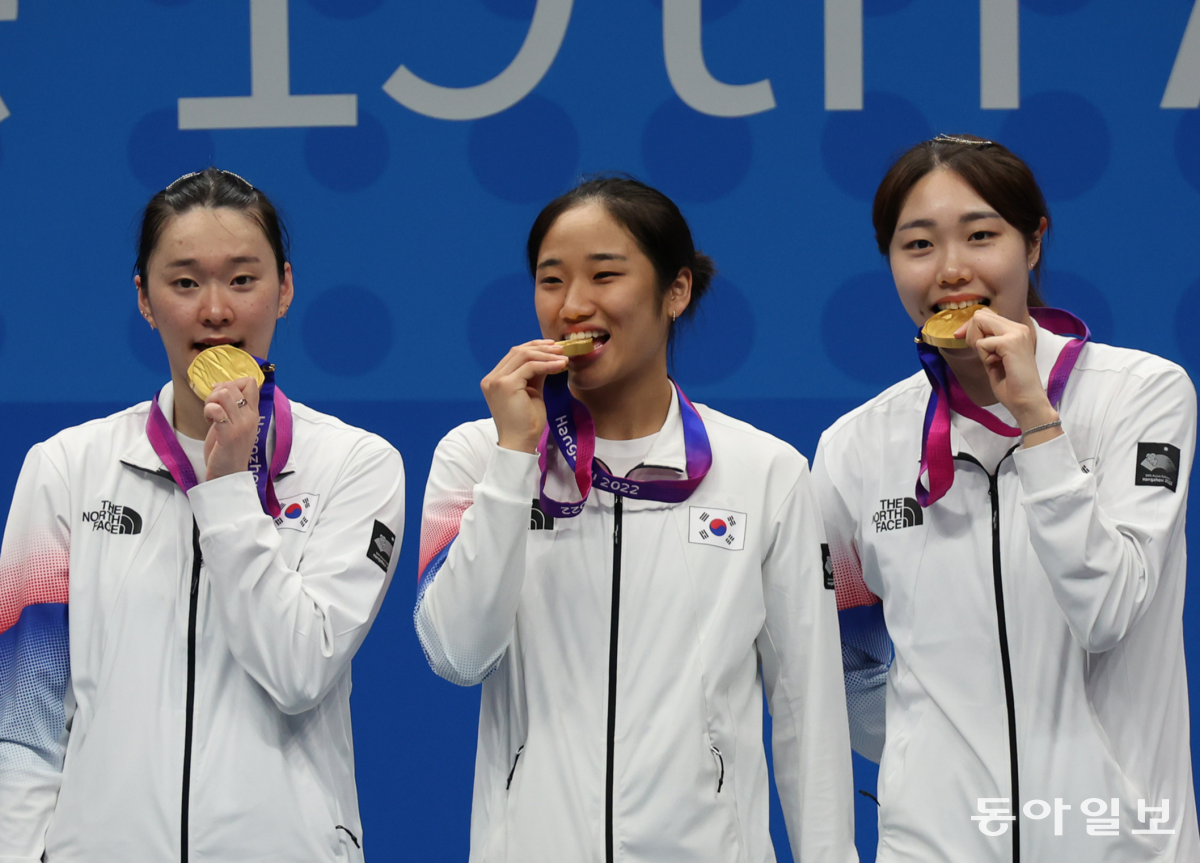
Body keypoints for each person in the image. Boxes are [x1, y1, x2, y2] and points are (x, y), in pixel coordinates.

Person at [415, 176, 856, 862]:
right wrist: (511, 460)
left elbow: (810, 711)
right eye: (551, 279)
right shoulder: (476, 454)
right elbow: (457, 655)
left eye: (605, 274)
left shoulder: (765, 471)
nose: (572, 305)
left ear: (675, 290)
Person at [813, 135, 1199, 861]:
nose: (952, 270)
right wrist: (930, 770)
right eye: (918, 244)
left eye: (982, 235)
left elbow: (1108, 609)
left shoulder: (1140, 396)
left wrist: (1038, 422)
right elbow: (840, 652)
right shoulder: (857, 447)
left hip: (1117, 845)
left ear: (1034, 241)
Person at [0, 168, 405, 862]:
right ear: (145, 299)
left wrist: (224, 488)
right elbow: (21, 717)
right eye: (184, 283)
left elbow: (299, 669)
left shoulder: (355, 465)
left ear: (285, 289)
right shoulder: (68, 469)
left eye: (242, 281)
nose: (215, 311)